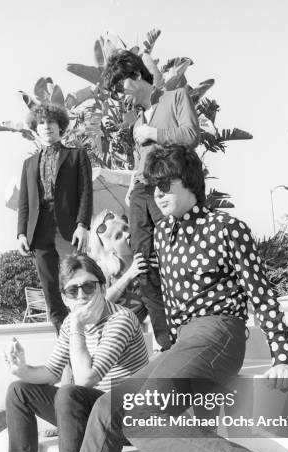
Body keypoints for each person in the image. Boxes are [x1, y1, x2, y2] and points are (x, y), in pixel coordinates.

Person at [0, 145, 288, 452]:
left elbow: (261, 293)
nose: (158, 194)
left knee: (129, 406)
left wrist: (282, 356)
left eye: (166, 185)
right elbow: (157, 300)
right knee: (112, 407)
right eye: (153, 187)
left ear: (191, 184)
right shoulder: (162, 236)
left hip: (220, 334)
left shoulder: (227, 228)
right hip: (183, 342)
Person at [0, 254, 149, 452]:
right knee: (18, 390)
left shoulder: (120, 320)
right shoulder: (71, 323)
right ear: (65, 298)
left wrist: (78, 327)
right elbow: (51, 372)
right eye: (72, 290)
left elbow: (85, 379)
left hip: (124, 418)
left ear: (102, 288)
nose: (82, 295)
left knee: (69, 393)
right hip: (91, 413)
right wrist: (21, 368)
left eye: (89, 286)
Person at [102, 50, 200, 351]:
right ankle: (166, 344)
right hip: (140, 194)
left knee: (177, 258)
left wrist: (152, 132)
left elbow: (191, 134)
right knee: (144, 269)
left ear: (134, 76)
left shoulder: (176, 97)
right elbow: (140, 160)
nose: (119, 94)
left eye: (120, 86)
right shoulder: (137, 119)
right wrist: (132, 186)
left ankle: (191, 337)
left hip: (167, 188)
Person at [17, 102, 93, 333]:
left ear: (60, 126)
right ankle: (64, 339)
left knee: (77, 279)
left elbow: (86, 193)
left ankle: (88, 332)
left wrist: (82, 225)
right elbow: (24, 202)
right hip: (39, 230)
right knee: (50, 288)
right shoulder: (28, 164)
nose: (46, 126)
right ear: (35, 129)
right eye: (41, 123)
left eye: (50, 122)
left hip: (68, 227)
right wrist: (21, 232)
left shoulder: (77, 156)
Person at [89, 209, 151, 324]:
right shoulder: (104, 269)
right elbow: (98, 304)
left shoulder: (143, 256)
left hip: (139, 330)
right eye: (118, 236)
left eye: (125, 228)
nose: (127, 235)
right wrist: (129, 275)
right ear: (109, 247)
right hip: (111, 332)